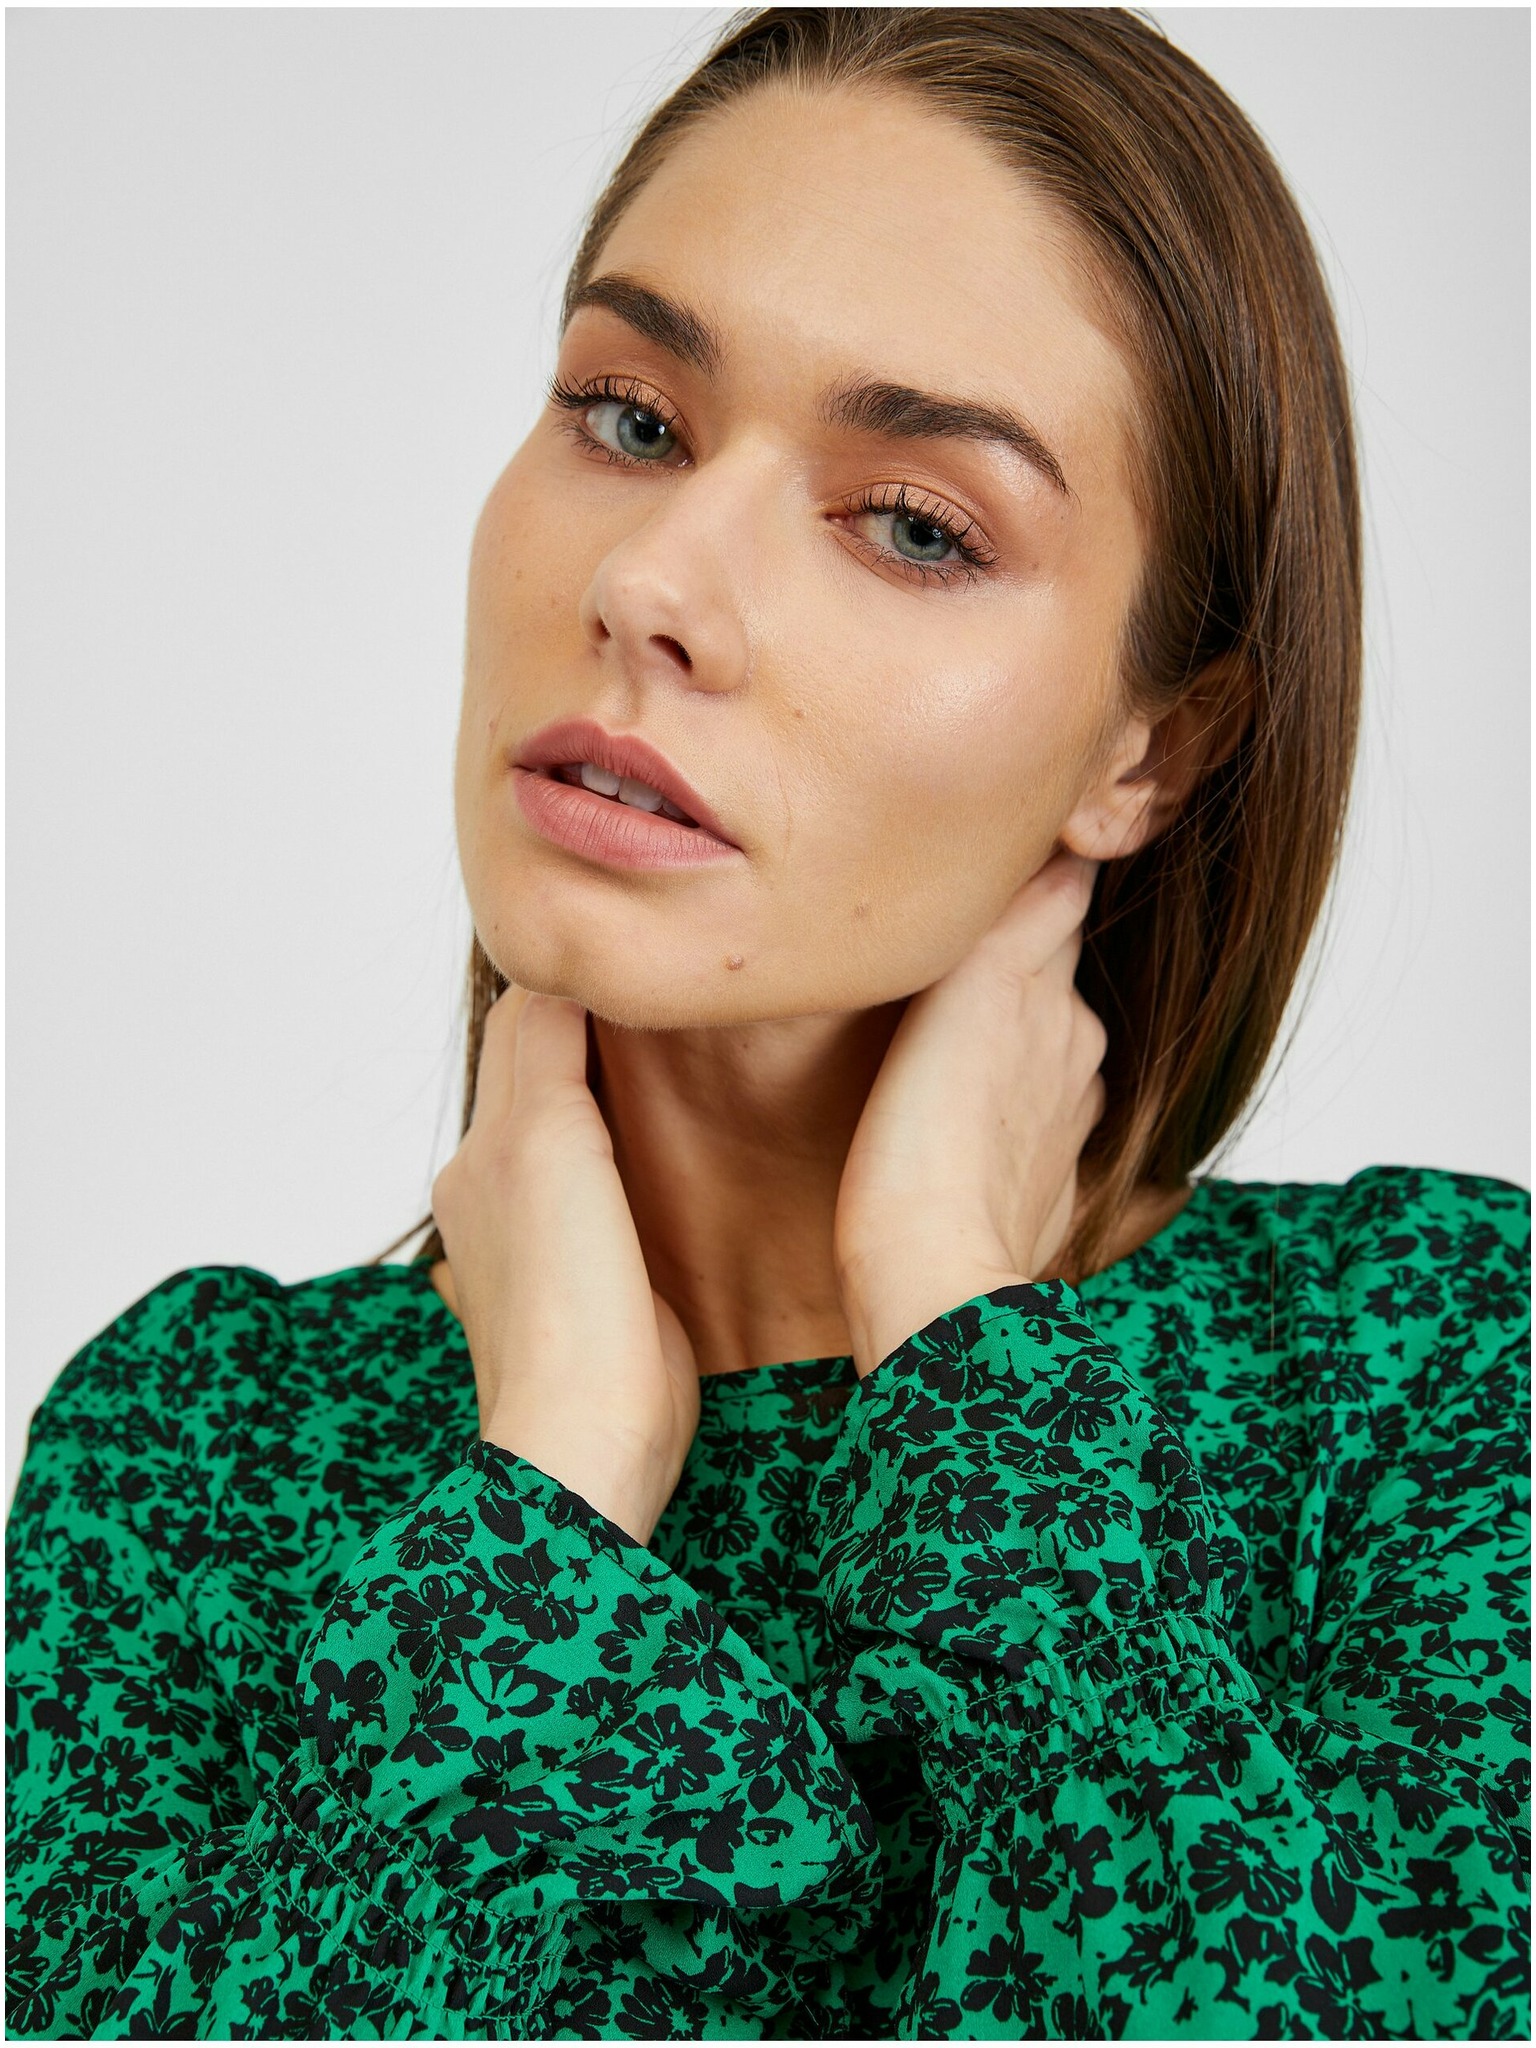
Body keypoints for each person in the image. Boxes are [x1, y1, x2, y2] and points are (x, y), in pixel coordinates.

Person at [7, 7, 1528, 2039]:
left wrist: (966, 1349)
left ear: (1152, 751)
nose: (652, 578)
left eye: (914, 523)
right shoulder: (195, 1444)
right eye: (631, 417)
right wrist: (542, 1493)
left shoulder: (1436, 1367)